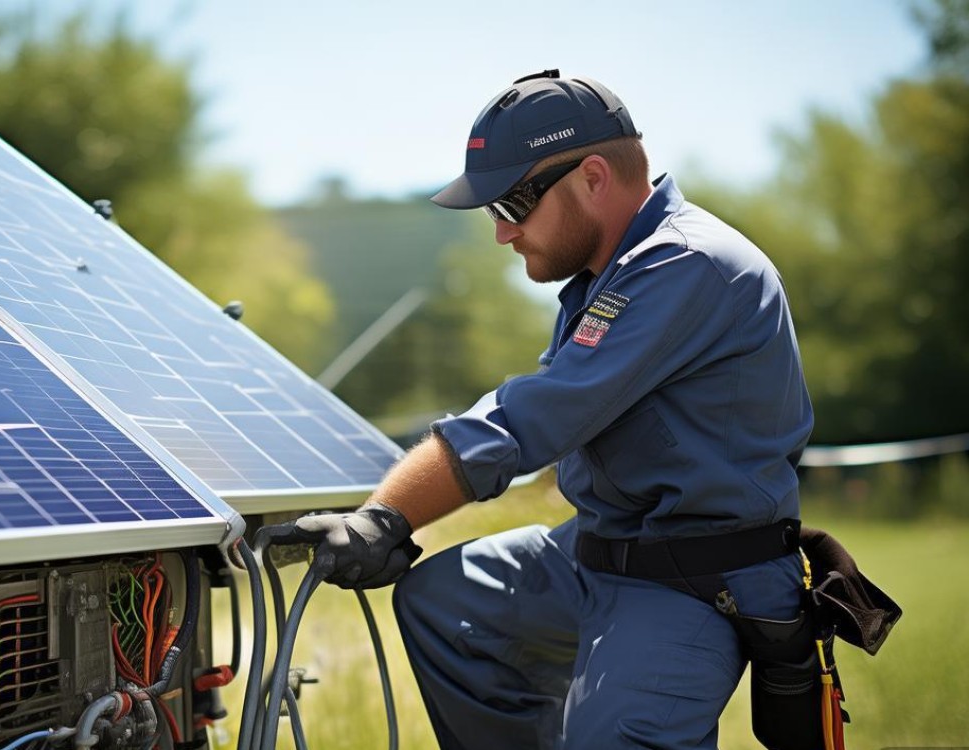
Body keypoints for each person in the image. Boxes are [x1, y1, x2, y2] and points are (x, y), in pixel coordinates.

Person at [261, 69, 815, 749]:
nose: (502, 233)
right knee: (447, 606)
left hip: (691, 577)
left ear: (592, 178)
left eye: (511, 203)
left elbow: (534, 417)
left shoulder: (686, 265)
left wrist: (385, 519)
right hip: (598, 554)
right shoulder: (607, 276)